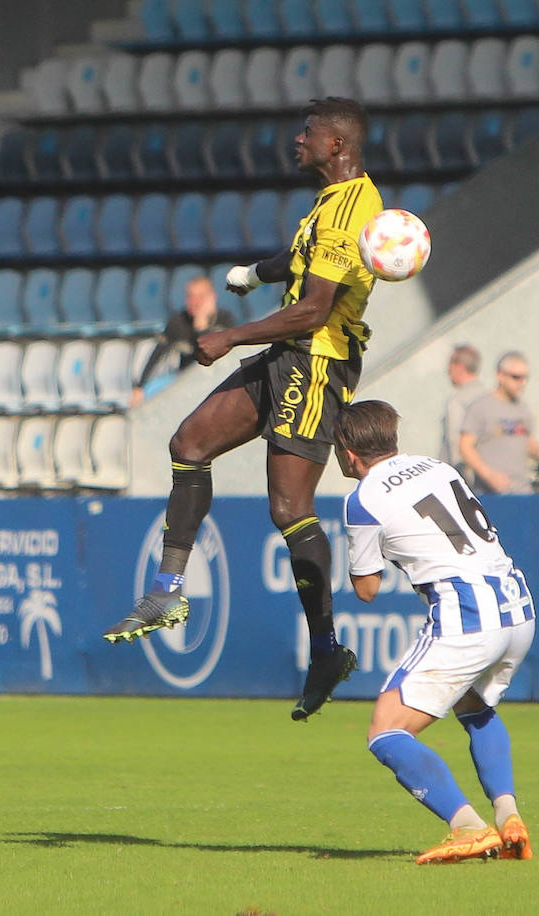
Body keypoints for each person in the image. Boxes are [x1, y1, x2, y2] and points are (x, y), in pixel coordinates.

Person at [102, 97, 383, 723]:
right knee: (188, 443)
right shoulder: (330, 203)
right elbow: (301, 264)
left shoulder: (354, 212)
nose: (297, 138)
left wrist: (231, 334)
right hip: (287, 352)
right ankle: (169, 592)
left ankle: (325, 651)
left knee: (288, 507)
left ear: (337, 144)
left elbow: (314, 308)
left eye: (308, 131)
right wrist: (255, 273)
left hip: (316, 360)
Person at [334, 400, 536, 864]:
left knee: (385, 731)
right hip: (517, 606)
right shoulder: (437, 466)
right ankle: (509, 816)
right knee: (473, 705)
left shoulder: (362, 499)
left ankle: (467, 826)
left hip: (467, 613)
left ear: (347, 451)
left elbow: (367, 588)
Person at [458, 352, 539, 495]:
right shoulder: (480, 407)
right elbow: (465, 448)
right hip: (491, 494)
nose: (522, 383)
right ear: (500, 375)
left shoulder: (523, 408)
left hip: (522, 491)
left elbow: (528, 442)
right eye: (516, 377)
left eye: (526, 378)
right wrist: (489, 475)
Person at [130, 275, 240, 407]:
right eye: (191, 297)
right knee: (151, 391)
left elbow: (208, 358)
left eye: (201, 297)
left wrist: (201, 328)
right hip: (184, 378)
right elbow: (157, 354)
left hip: (216, 380)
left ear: (212, 298)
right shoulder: (178, 322)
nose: (195, 302)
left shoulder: (225, 320)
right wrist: (140, 387)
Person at [440, 343, 484, 475]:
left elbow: (454, 442)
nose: (448, 373)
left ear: (458, 367)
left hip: (462, 475)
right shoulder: (489, 397)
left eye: (449, 368)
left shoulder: (457, 401)